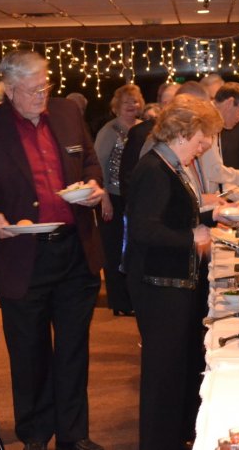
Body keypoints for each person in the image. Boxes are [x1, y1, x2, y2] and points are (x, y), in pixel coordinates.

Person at [0, 50, 105, 450]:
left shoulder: (66, 113)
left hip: (74, 251)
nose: (43, 95)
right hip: (22, 257)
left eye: (45, 86)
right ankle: (35, 435)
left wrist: (93, 186)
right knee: (29, 352)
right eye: (34, 89)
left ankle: (74, 435)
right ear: (10, 89)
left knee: (73, 350)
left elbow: (90, 161)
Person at [123, 94, 225, 450]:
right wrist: (190, 237)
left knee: (175, 368)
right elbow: (143, 229)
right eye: (201, 137)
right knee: (162, 374)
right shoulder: (154, 169)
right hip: (157, 285)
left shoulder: (170, 164)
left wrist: (204, 223)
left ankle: (175, 436)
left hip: (173, 281)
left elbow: (176, 214)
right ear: (183, 132)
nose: (205, 144)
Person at [94, 84, 144, 317]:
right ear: (116, 106)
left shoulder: (143, 128)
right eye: (126, 102)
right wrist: (104, 198)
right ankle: (120, 301)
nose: (132, 106)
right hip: (112, 198)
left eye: (135, 101)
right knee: (114, 250)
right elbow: (98, 167)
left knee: (133, 249)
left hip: (135, 198)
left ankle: (133, 298)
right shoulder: (109, 131)